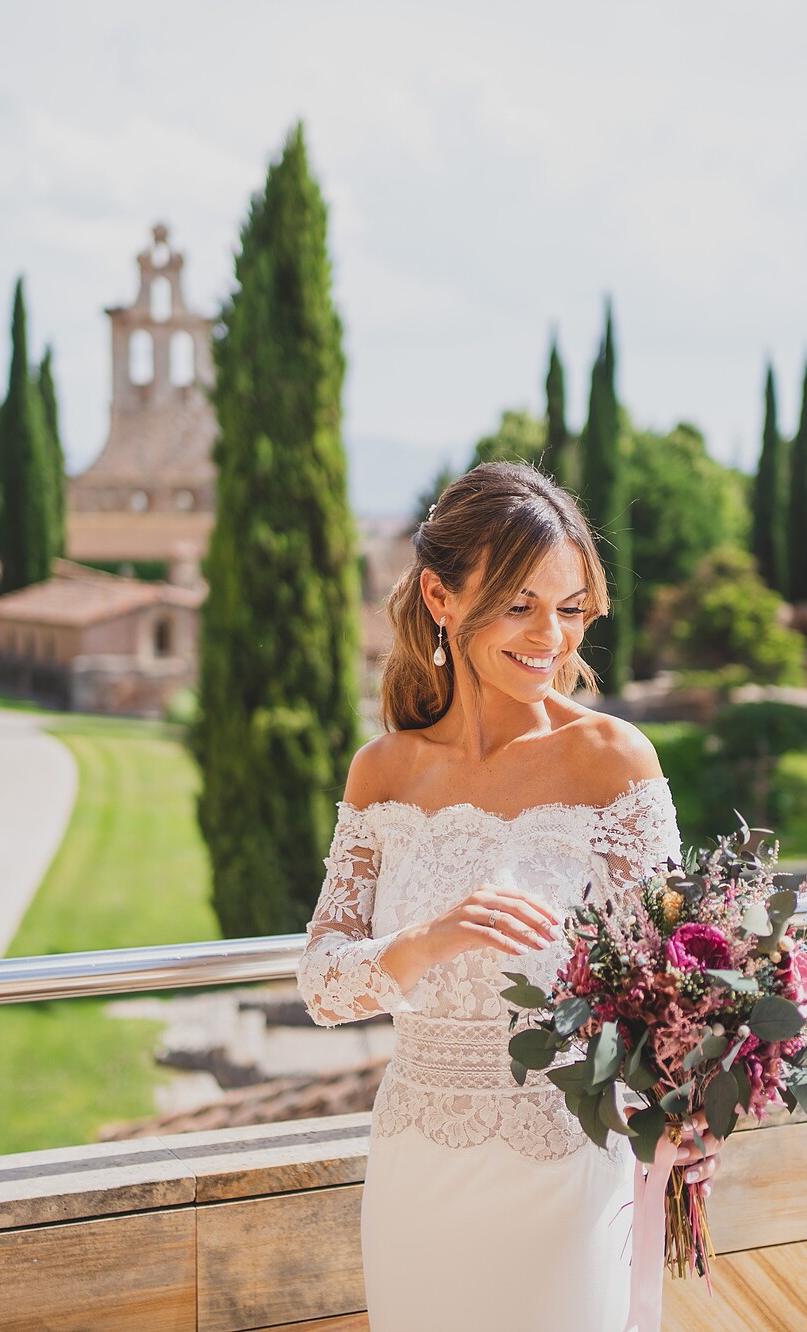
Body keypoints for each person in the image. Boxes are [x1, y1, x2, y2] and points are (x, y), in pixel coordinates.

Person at [297, 462, 719, 1332]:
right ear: (440, 598)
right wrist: (427, 940)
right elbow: (323, 984)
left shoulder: (614, 760)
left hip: (565, 1168)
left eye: (569, 610)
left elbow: (679, 978)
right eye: (520, 606)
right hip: (417, 1170)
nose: (551, 639)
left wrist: (690, 1101)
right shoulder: (383, 773)